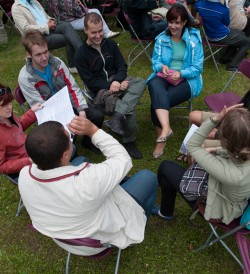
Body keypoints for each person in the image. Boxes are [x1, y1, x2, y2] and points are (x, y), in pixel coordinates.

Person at [18, 117, 157, 254]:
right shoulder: (88, 181)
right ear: (65, 155)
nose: (71, 141)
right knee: (147, 177)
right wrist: (93, 131)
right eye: (69, 139)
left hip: (65, 237)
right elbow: (123, 159)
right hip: (96, 242)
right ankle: (140, 223)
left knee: (81, 160)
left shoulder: (24, 175)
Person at [154, 105, 250, 225]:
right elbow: (239, 153)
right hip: (236, 197)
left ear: (226, 142)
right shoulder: (242, 151)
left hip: (220, 208)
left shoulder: (232, 174)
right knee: (196, 158)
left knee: (165, 167)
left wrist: (216, 119)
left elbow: (192, 145)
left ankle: (165, 212)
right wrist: (215, 149)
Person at [18, 30, 104, 153]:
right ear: (29, 55)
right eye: (38, 55)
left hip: (68, 106)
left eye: (46, 52)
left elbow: (72, 87)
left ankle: (87, 141)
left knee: (97, 116)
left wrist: (81, 110)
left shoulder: (57, 63)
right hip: (49, 116)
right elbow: (41, 108)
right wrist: (66, 123)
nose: (44, 58)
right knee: (65, 147)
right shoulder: (26, 77)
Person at [75, 13, 146, 159]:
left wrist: (118, 81)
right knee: (129, 111)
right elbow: (90, 83)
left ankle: (117, 117)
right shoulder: (80, 54)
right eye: (93, 32)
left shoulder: (111, 45)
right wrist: (111, 85)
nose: (98, 35)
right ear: (85, 31)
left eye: (100, 30)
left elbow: (122, 66)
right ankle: (129, 141)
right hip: (101, 93)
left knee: (140, 82)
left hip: (119, 83)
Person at [147, 5, 203, 159]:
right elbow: (155, 62)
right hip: (165, 75)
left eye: (177, 23)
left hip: (188, 80)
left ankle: (162, 138)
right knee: (153, 84)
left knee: (157, 101)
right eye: (170, 22)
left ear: (184, 22)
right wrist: (162, 67)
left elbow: (197, 68)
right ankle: (165, 130)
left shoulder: (193, 40)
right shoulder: (162, 38)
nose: (173, 26)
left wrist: (181, 73)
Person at [12, 0, 82, 73]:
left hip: (49, 29)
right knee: (68, 39)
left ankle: (83, 53)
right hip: (37, 37)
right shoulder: (16, 8)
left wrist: (51, 20)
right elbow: (26, 29)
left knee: (66, 25)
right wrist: (46, 27)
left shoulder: (34, 2)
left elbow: (46, 16)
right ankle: (73, 65)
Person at [0, 84, 42, 180]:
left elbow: (19, 127)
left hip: (31, 149)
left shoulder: (7, 115)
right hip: (24, 167)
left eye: (9, 102)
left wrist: (32, 112)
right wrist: (29, 161)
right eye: (3, 105)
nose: (9, 107)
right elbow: (1, 167)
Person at [195, 0, 250, 71]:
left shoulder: (199, 4)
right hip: (220, 36)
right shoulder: (223, 9)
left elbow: (197, 8)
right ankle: (232, 66)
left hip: (208, 34)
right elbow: (226, 23)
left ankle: (225, 59)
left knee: (241, 34)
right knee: (247, 42)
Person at [50, 0, 120, 38]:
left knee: (95, 11)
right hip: (69, 22)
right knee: (92, 19)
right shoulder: (63, 2)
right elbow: (78, 12)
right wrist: (81, 6)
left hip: (73, 17)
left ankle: (106, 33)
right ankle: (100, 37)